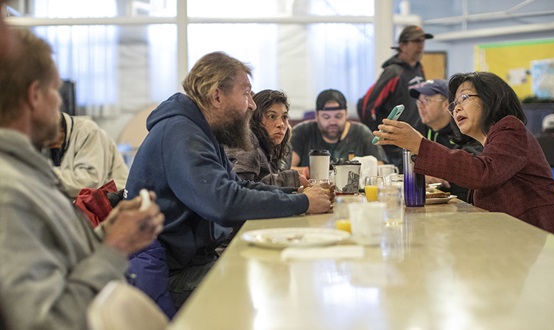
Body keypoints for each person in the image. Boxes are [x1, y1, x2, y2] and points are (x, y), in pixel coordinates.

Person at [125, 51, 332, 310]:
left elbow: (237, 186)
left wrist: (296, 195)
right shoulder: (182, 134)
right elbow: (224, 204)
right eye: (245, 93)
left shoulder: (198, 130)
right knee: (271, 285)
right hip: (172, 274)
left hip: (189, 260)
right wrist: (302, 203)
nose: (253, 104)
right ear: (217, 96)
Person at [0, 28, 165, 330]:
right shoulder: (9, 193)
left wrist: (107, 233)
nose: (59, 105)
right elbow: (46, 323)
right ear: (35, 95)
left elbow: (60, 263)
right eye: (55, 91)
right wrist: (114, 249)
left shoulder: (28, 172)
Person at [373, 71, 554, 237]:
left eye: (464, 98)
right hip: (509, 236)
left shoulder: (510, 128)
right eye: (454, 104)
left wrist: (419, 144)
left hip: (537, 234)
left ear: (490, 98)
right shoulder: (492, 140)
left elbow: (482, 174)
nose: (456, 108)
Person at [357, 25, 433, 168]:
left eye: (422, 42)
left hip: (412, 138)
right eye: (416, 42)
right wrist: (379, 135)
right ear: (402, 45)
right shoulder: (393, 72)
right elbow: (367, 106)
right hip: (393, 147)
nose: (420, 46)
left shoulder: (418, 68)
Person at [409, 79, 482, 201]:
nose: (420, 106)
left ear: (446, 104)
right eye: (419, 101)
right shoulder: (420, 127)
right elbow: (403, 163)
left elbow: (470, 165)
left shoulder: (464, 127)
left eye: (426, 100)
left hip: (461, 203)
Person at [291, 89, 388, 176]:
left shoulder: (361, 132)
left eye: (338, 116)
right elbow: (285, 169)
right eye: (326, 117)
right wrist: (313, 172)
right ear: (316, 116)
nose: (332, 122)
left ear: (346, 114)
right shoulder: (302, 132)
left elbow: (380, 168)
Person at [225, 89, 309, 188]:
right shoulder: (249, 145)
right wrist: (288, 179)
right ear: (255, 119)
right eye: (272, 116)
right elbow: (242, 191)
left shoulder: (272, 146)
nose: (281, 124)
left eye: (284, 117)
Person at [47, 111, 129, 199]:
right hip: (86, 203)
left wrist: (44, 174)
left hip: (112, 201)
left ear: (61, 131)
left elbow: (90, 182)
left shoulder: (89, 132)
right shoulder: (48, 139)